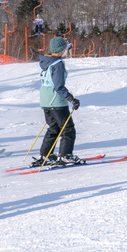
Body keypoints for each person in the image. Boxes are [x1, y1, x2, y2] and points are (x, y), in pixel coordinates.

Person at [34, 36, 83, 167]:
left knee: (54, 128)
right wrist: (71, 99)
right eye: (65, 49)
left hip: (45, 100)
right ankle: (66, 156)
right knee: (68, 129)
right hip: (56, 101)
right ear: (61, 50)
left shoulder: (45, 61)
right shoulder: (58, 64)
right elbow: (59, 86)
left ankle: (46, 154)